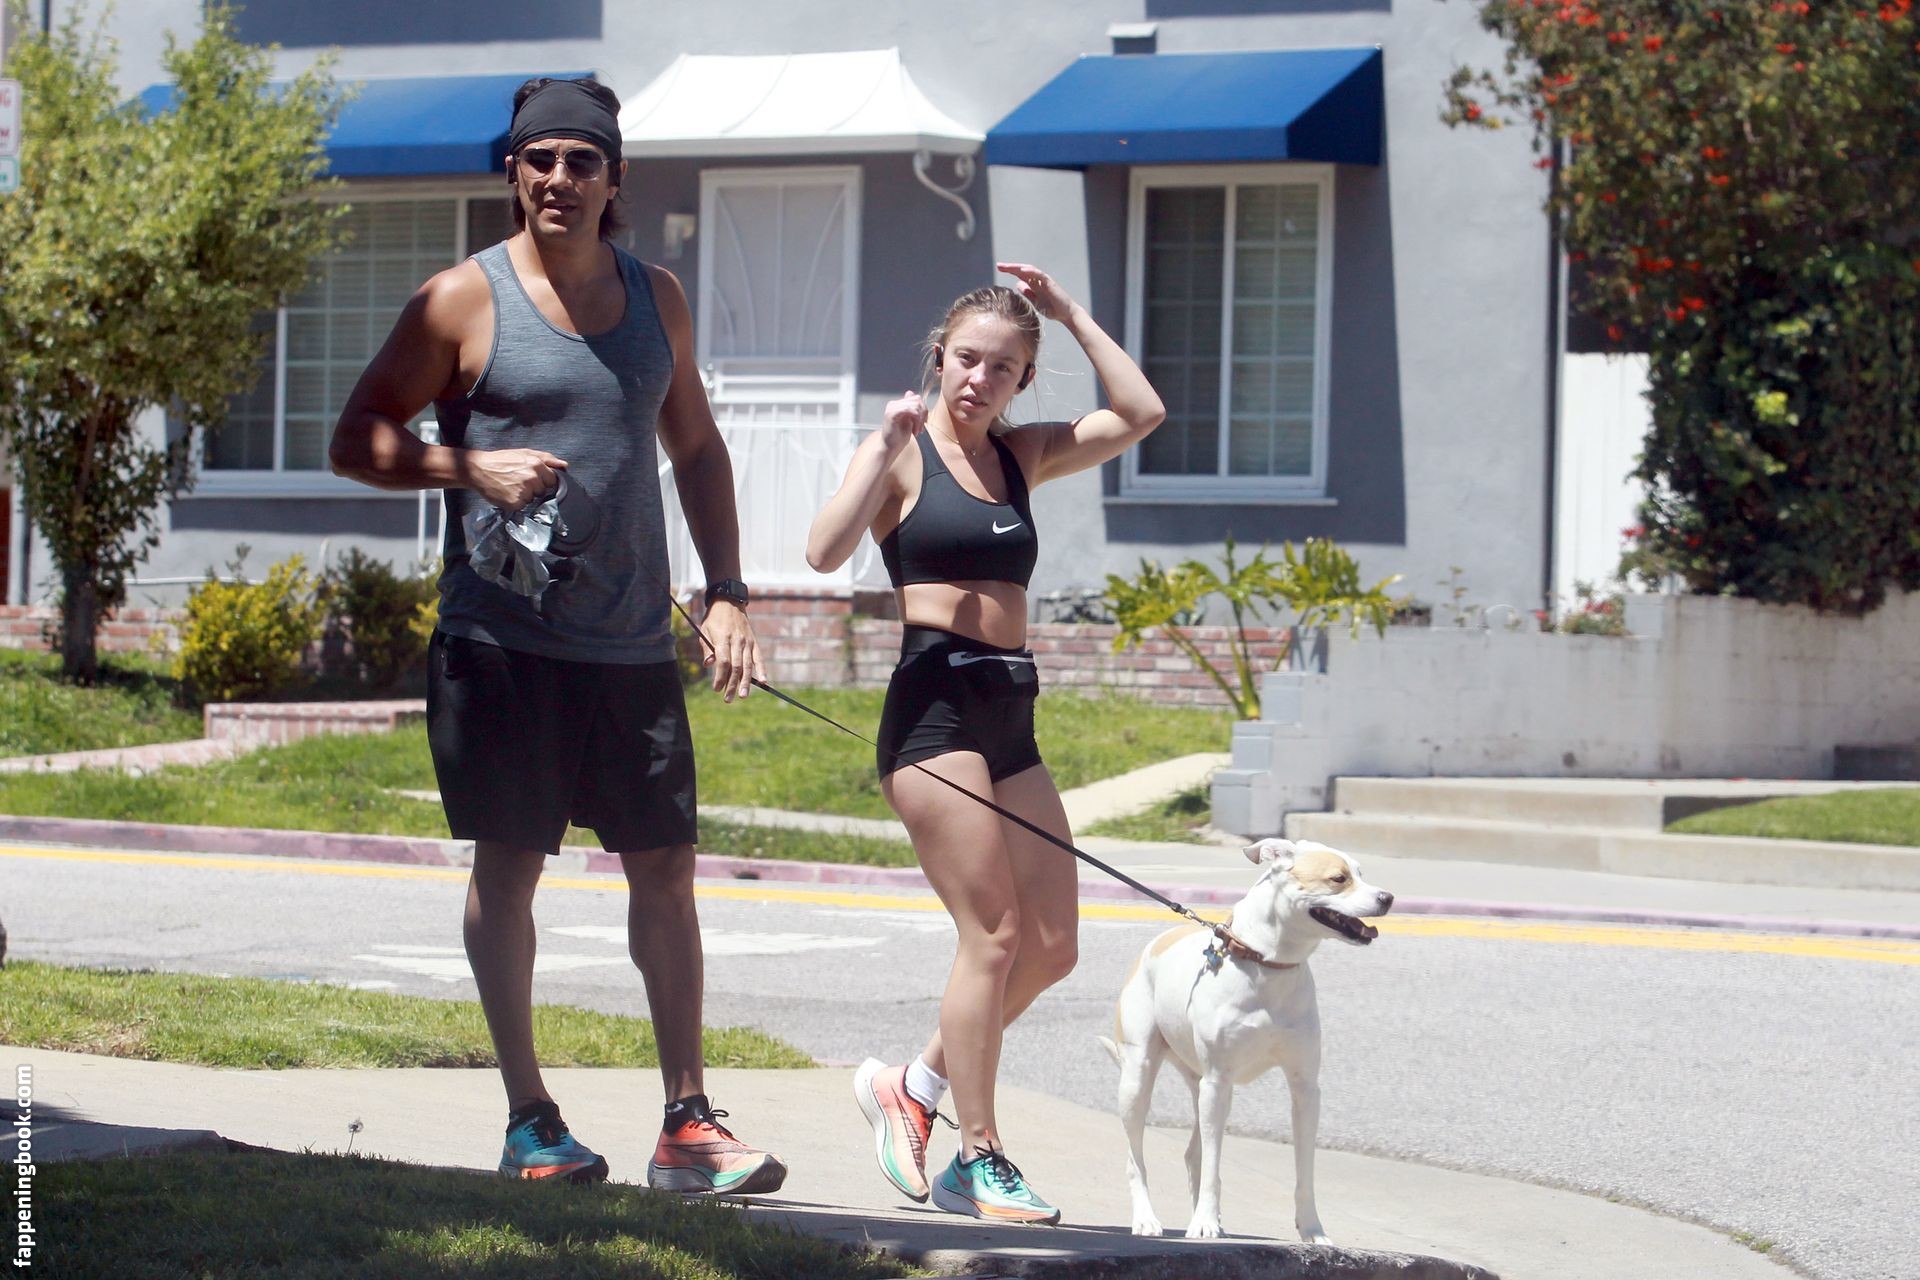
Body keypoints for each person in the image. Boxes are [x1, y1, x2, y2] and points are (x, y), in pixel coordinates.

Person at [329, 76, 784, 1194]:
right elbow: (356, 436)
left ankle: (688, 1124)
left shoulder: (656, 298)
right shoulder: (461, 300)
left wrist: (728, 590)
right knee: (512, 864)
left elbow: (698, 448)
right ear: (514, 172)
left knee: (666, 868)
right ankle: (531, 1119)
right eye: (540, 160)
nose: (559, 180)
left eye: (582, 161)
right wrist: (465, 465)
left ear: (614, 178)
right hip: (502, 641)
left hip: (630, 639)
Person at [806, 267, 1166, 1223]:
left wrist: (1070, 313)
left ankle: (912, 1085)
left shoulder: (1021, 456)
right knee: (995, 936)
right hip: (933, 710)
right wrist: (883, 448)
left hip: (1010, 708)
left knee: (1052, 948)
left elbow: (1140, 412)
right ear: (940, 357)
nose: (981, 379)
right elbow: (823, 550)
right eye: (968, 359)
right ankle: (979, 1154)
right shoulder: (902, 449)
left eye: (1003, 368)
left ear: (1023, 379)